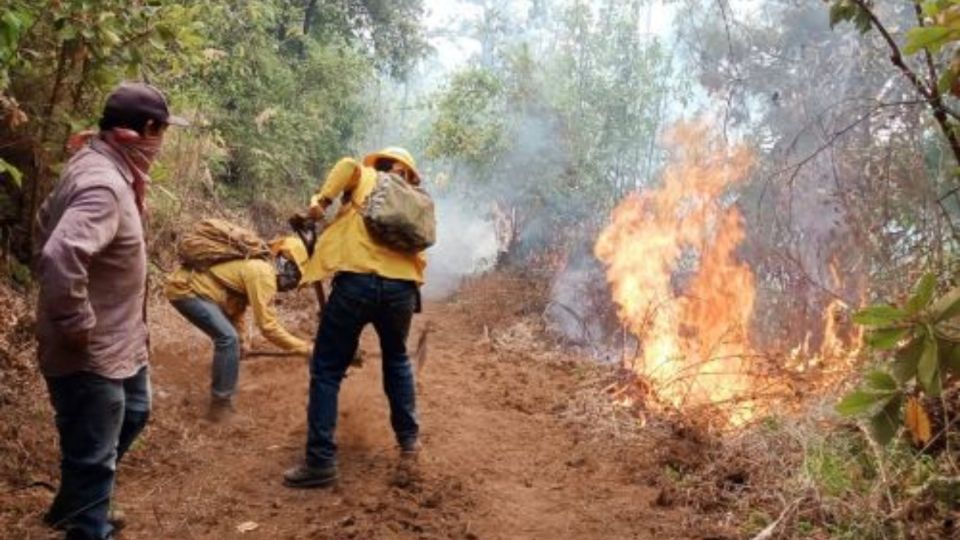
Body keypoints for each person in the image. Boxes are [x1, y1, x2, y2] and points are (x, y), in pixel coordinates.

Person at [34, 82, 188, 540]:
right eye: (161, 132)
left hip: (120, 338)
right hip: (90, 346)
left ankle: (75, 499)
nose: (162, 143)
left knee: (136, 410)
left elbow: (44, 222)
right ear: (146, 129)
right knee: (96, 452)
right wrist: (76, 323)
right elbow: (60, 254)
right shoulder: (102, 182)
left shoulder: (101, 164)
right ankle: (87, 522)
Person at [283, 147, 427, 489]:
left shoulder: (365, 176)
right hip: (402, 290)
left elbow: (347, 163)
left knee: (327, 368)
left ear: (378, 163)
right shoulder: (414, 201)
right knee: (396, 360)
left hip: (357, 281)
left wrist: (320, 202)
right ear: (408, 173)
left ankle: (320, 462)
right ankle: (409, 444)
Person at [165, 235, 312, 420]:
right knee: (227, 339)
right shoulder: (263, 273)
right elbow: (268, 326)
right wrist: (305, 348)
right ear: (284, 262)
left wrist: (243, 340)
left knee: (232, 340)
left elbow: (236, 307)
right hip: (187, 290)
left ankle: (220, 392)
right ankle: (220, 407)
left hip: (194, 289)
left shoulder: (257, 268)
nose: (293, 281)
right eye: (294, 273)